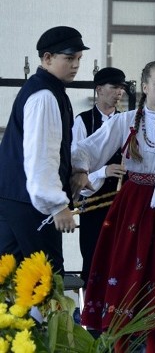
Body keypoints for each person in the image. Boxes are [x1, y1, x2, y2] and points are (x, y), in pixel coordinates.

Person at [73, 61, 155, 353]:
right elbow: (87, 149)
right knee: (126, 276)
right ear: (144, 87)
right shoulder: (126, 121)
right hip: (132, 206)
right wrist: (81, 170)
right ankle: (120, 348)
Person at [0, 26, 91, 274]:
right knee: (47, 279)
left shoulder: (46, 89)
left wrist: (77, 169)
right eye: (69, 58)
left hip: (14, 198)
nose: (75, 65)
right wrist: (57, 205)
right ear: (47, 58)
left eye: (79, 59)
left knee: (10, 278)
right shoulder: (44, 95)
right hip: (32, 204)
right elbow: (41, 156)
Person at [72, 66, 127, 288]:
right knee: (93, 258)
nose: (119, 92)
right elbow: (76, 167)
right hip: (92, 203)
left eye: (122, 88)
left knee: (120, 259)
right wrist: (103, 171)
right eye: (114, 87)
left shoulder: (125, 122)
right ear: (99, 90)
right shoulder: (82, 120)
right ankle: (91, 317)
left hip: (122, 202)